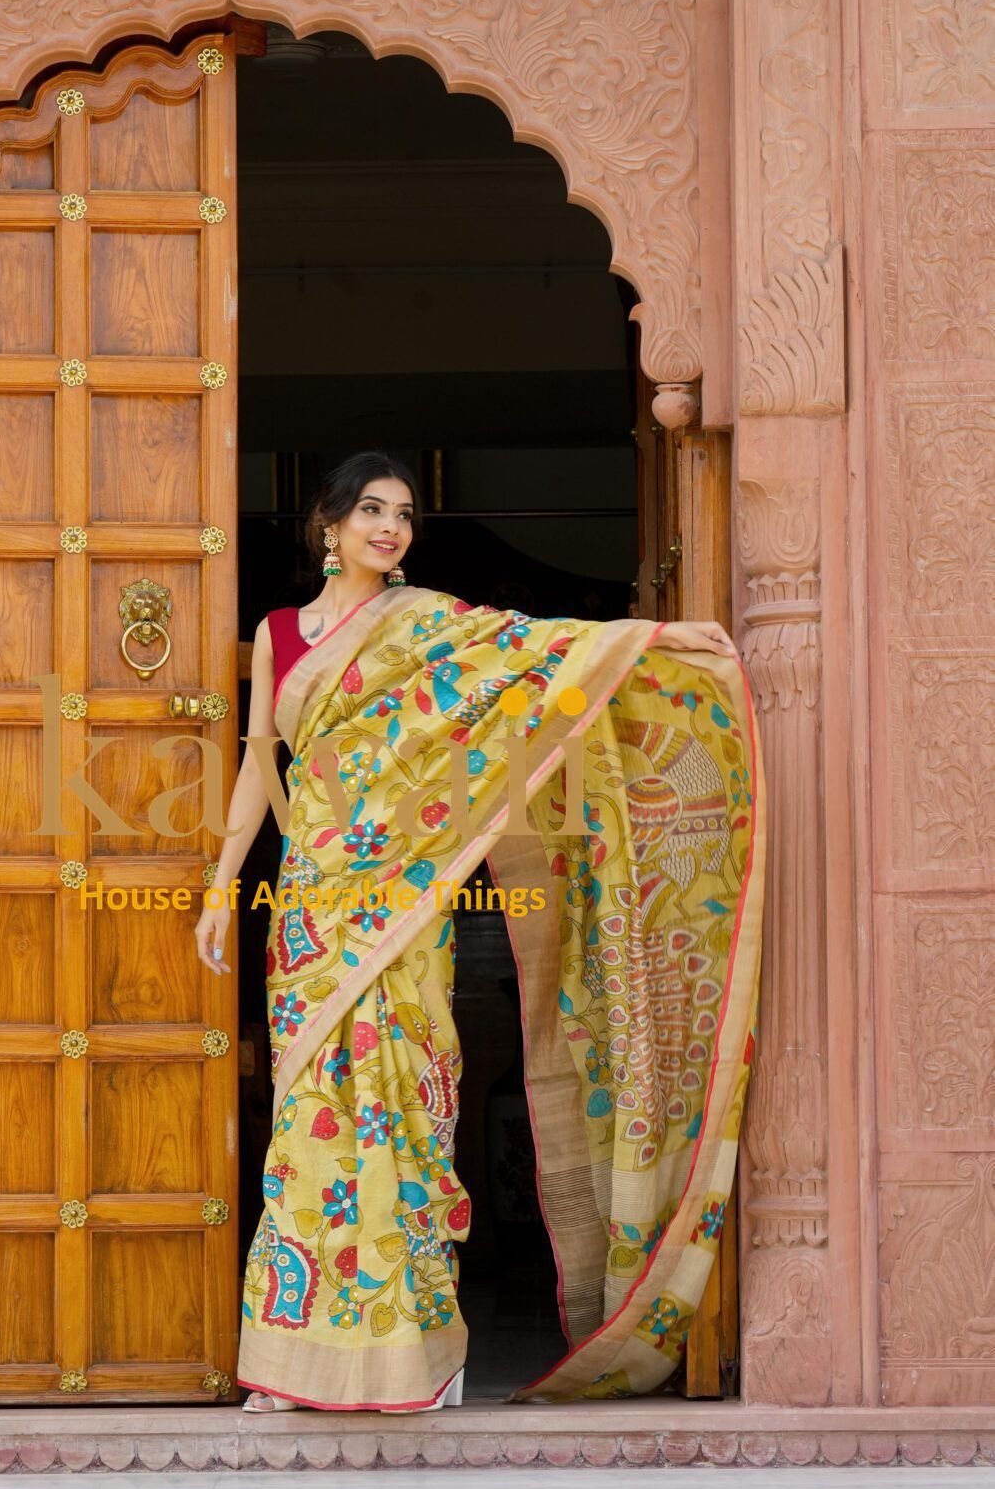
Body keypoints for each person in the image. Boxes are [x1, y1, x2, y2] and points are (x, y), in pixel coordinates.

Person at [195, 453, 763, 1414]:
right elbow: (259, 768)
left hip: (404, 903)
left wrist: (654, 636)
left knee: (400, 1110)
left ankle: (418, 1356)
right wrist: (220, 887)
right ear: (325, 528)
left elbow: (537, 652)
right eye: (370, 511)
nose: (389, 528)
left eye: (404, 515)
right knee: (309, 1121)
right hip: (311, 904)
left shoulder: (428, 626)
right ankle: (301, 1365)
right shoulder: (277, 635)